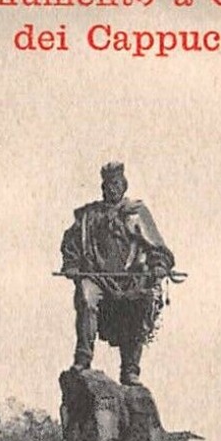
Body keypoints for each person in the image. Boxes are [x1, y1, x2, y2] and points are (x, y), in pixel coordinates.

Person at [60, 161, 177, 386]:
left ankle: (130, 369)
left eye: (115, 184)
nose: (110, 189)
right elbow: (71, 242)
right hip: (98, 279)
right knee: (86, 295)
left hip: (130, 281)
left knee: (142, 302)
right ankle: (83, 358)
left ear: (123, 186)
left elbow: (158, 248)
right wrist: (72, 264)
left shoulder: (137, 213)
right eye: (106, 185)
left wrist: (158, 265)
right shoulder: (89, 215)